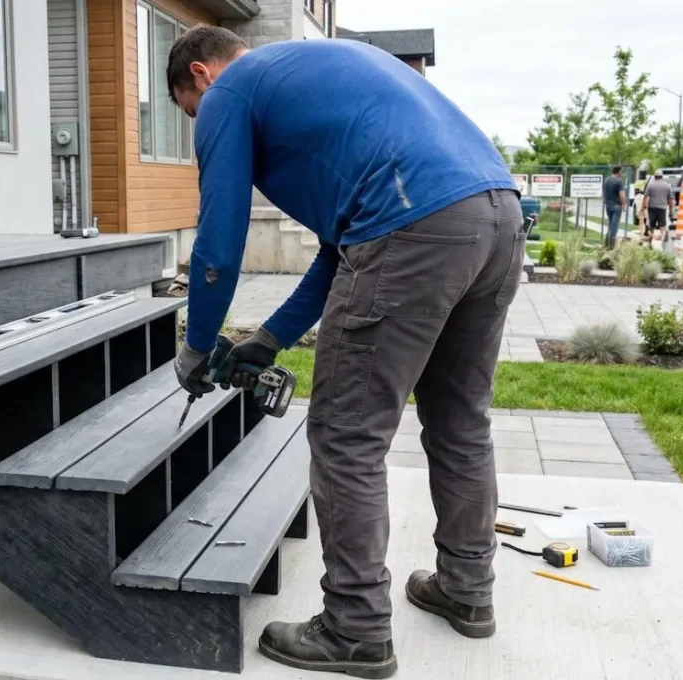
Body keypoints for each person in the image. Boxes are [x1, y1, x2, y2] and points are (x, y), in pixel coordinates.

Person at [167, 27, 521, 678]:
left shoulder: (229, 93)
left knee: (345, 435)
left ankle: (354, 627)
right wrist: (265, 342)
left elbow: (220, 237)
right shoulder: (313, 74)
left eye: (190, 112)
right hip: (495, 213)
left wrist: (196, 345)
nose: (201, 128)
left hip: (415, 219)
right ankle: (467, 591)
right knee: (460, 421)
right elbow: (343, 251)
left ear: (201, 75)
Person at [644, 170, 674, 247]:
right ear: (662, 176)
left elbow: (645, 197)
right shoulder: (667, 186)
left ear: (655, 177)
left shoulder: (650, 185)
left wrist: (644, 207)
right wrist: (671, 211)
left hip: (652, 208)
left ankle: (650, 242)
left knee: (652, 226)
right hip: (662, 208)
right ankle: (662, 242)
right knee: (662, 226)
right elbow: (670, 200)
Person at [602, 167, 626, 248]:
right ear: (618, 172)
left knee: (610, 224)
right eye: (621, 172)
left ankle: (606, 244)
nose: (621, 173)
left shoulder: (606, 180)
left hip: (608, 205)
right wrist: (623, 205)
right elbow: (622, 195)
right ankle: (611, 246)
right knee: (614, 226)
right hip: (616, 206)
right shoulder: (619, 181)